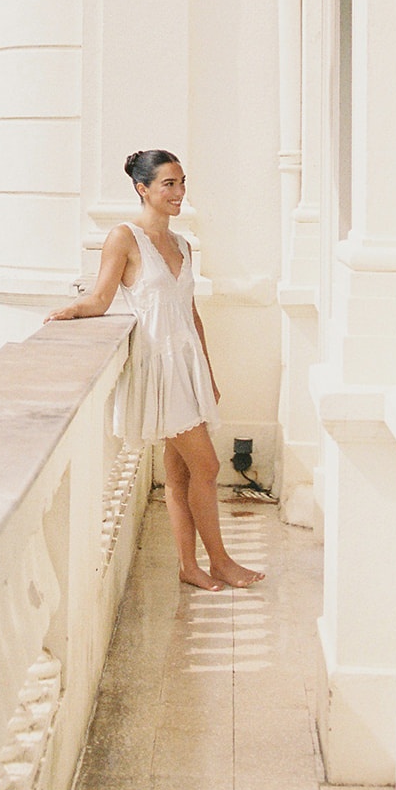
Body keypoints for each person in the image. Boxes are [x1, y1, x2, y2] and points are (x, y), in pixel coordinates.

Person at [46, 149, 264, 591]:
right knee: (207, 466)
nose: (179, 193)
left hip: (187, 368)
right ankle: (219, 561)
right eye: (169, 184)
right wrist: (72, 311)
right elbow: (101, 299)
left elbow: (191, 311)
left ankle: (189, 566)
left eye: (182, 182)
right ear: (142, 188)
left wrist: (208, 373)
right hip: (158, 369)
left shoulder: (183, 244)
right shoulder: (124, 238)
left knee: (182, 472)